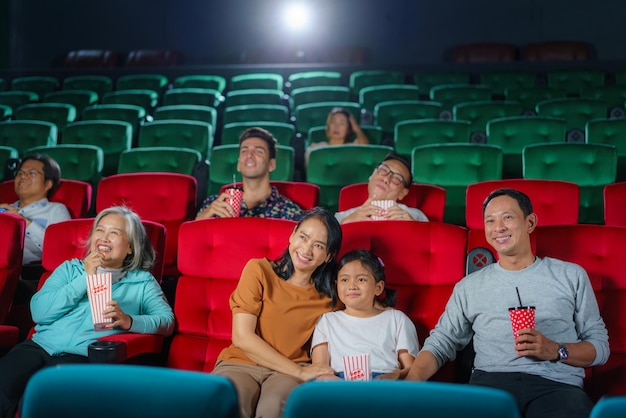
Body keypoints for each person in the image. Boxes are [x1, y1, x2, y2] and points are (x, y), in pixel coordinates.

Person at [405, 188, 609, 418]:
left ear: (530, 222)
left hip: (557, 387)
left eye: (508, 217)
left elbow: (600, 347)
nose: (498, 227)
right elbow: (442, 342)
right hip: (490, 384)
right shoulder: (469, 286)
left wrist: (556, 350)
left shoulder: (570, 275)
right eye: (490, 221)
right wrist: (411, 382)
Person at [0, 206, 175, 418]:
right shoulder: (69, 269)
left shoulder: (141, 281)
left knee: (41, 395)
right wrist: (85, 278)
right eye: (100, 231)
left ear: (130, 247)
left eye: (114, 232)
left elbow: (166, 321)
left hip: (83, 354)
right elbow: (39, 311)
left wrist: (130, 320)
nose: (104, 238)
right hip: (40, 346)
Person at [211, 207, 343, 418]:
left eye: (318, 246)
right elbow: (242, 336)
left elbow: (364, 314)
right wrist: (300, 372)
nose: (307, 250)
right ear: (292, 236)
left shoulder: (333, 297)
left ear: (328, 256)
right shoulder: (259, 270)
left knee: (272, 409)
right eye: (303, 237)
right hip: (241, 363)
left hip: (288, 371)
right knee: (231, 404)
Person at [311, 249, 419, 380]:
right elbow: (320, 369)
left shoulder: (396, 319)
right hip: (340, 383)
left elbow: (412, 370)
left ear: (378, 288)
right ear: (336, 285)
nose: (352, 286)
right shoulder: (327, 321)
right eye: (344, 280)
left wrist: (394, 376)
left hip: (384, 382)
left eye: (361, 279)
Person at [196, 127, 303, 221]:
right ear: (238, 164)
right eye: (244, 151)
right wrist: (205, 215)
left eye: (258, 151)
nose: (249, 155)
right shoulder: (215, 204)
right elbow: (190, 241)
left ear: (271, 164)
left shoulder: (290, 212)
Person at [0, 154, 71, 264]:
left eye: (32, 173)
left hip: (25, 273)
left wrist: (25, 222)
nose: (23, 177)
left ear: (48, 184)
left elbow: (60, 249)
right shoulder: (4, 209)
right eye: (20, 173)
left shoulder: (56, 210)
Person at [335, 153, 428, 224]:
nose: (386, 179)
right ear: (372, 175)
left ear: (403, 193)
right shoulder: (342, 218)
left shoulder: (416, 217)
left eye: (396, 178)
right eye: (383, 170)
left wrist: (414, 228)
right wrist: (346, 224)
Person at [304, 107, 369, 167]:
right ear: (328, 126)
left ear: (348, 129)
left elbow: (365, 149)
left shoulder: (352, 148)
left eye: (342, 123)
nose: (336, 126)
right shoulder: (315, 149)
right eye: (333, 122)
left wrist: (356, 129)